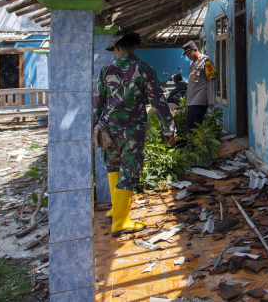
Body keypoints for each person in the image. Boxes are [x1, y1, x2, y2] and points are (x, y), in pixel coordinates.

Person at [92, 28, 176, 237]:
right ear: (134, 46)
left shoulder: (105, 70)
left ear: (118, 47)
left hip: (107, 132)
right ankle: (120, 222)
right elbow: (158, 102)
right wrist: (169, 129)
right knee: (128, 174)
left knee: (113, 168)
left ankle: (115, 210)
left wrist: (92, 128)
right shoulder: (145, 70)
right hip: (132, 133)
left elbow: (96, 104)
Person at [182, 40, 217, 130]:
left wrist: (211, 100)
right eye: (186, 54)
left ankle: (196, 142)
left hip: (200, 99)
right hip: (193, 100)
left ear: (195, 49)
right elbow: (191, 85)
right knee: (192, 123)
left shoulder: (206, 62)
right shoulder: (192, 64)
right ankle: (196, 142)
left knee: (192, 122)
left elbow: (211, 81)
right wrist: (188, 102)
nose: (188, 56)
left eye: (189, 53)